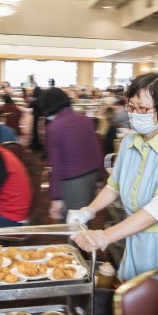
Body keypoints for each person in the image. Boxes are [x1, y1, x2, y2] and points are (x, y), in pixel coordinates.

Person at [69, 72, 158, 280]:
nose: (135, 114)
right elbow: (113, 186)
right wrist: (88, 211)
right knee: (135, 293)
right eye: (131, 107)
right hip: (137, 233)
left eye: (142, 108)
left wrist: (104, 236)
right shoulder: (129, 142)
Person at [39, 87, 102, 220]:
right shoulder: (86, 120)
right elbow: (96, 151)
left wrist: (56, 197)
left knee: (73, 225)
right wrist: (99, 179)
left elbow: (55, 166)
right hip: (91, 176)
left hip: (72, 181)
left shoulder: (54, 128)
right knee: (84, 218)